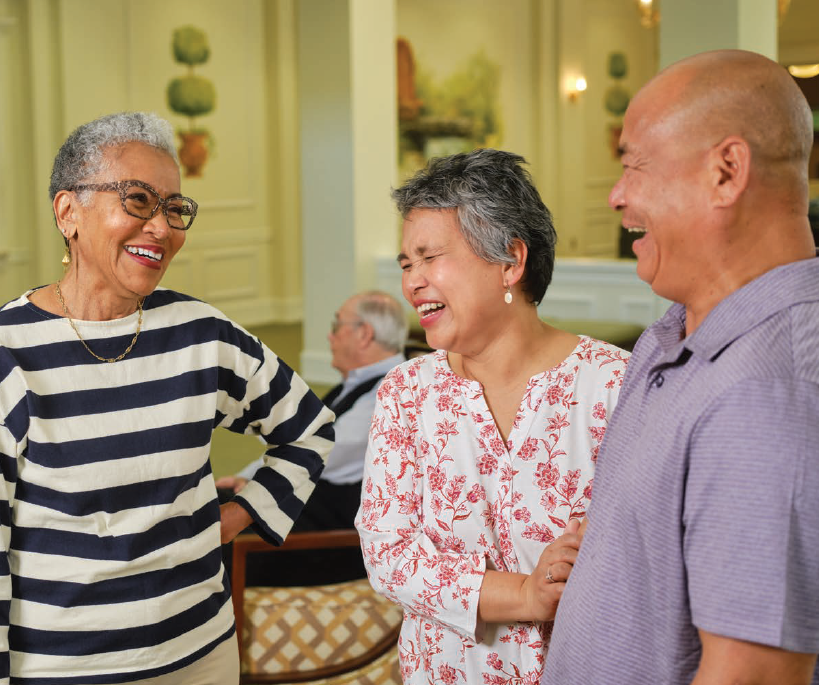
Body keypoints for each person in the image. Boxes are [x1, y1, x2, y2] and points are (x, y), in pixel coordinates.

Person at [0, 112, 334, 684]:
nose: (162, 227)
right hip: (62, 669)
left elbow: (308, 428)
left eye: (174, 208)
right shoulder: (1, 356)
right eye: (138, 200)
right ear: (68, 212)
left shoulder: (202, 333)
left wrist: (233, 518)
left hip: (202, 653)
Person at [544, 50, 819, 685]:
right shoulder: (675, 333)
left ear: (727, 172)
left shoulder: (766, 391)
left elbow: (754, 676)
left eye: (634, 165)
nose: (616, 195)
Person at [355, 148, 630, 684]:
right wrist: (524, 593)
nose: (412, 281)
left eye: (430, 257)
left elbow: (642, 544)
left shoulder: (614, 384)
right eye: (406, 264)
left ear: (511, 261)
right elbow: (388, 554)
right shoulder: (407, 393)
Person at [216, 290, 407, 585]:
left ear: (364, 334)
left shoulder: (388, 396)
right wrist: (243, 480)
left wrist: (260, 409)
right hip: (304, 516)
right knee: (209, 502)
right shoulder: (359, 386)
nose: (329, 337)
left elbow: (312, 451)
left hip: (329, 544)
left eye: (336, 326)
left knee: (214, 544)